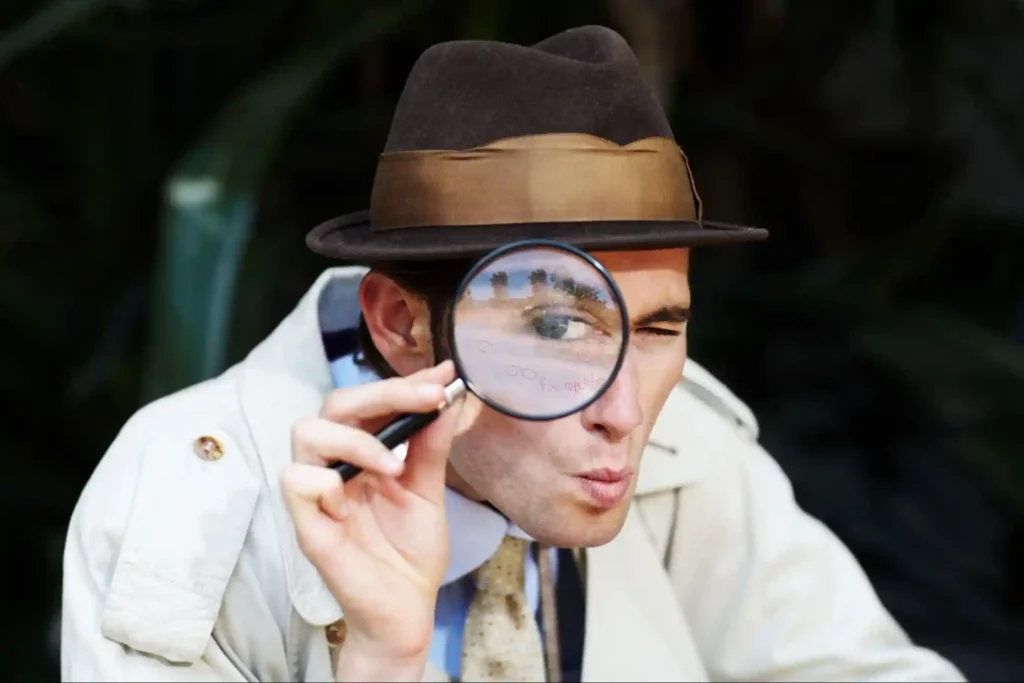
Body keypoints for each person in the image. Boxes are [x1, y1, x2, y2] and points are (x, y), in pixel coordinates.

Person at [60, 25, 967, 683]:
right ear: (400, 323)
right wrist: (381, 660)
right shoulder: (189, 507)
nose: (628, 410)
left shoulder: (689, 445)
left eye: (658, 327)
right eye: (556, 327)